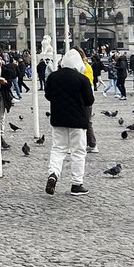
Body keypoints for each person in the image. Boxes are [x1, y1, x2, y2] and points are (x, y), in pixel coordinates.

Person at [43, 49, 94, 197]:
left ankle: (53, 174)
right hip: (78, 120)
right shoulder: (82, 79)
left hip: (58, 119)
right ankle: (77, 184)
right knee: (78, 152)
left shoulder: (53, 77)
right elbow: (89, 100)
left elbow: (48, 95)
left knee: (58, 149)